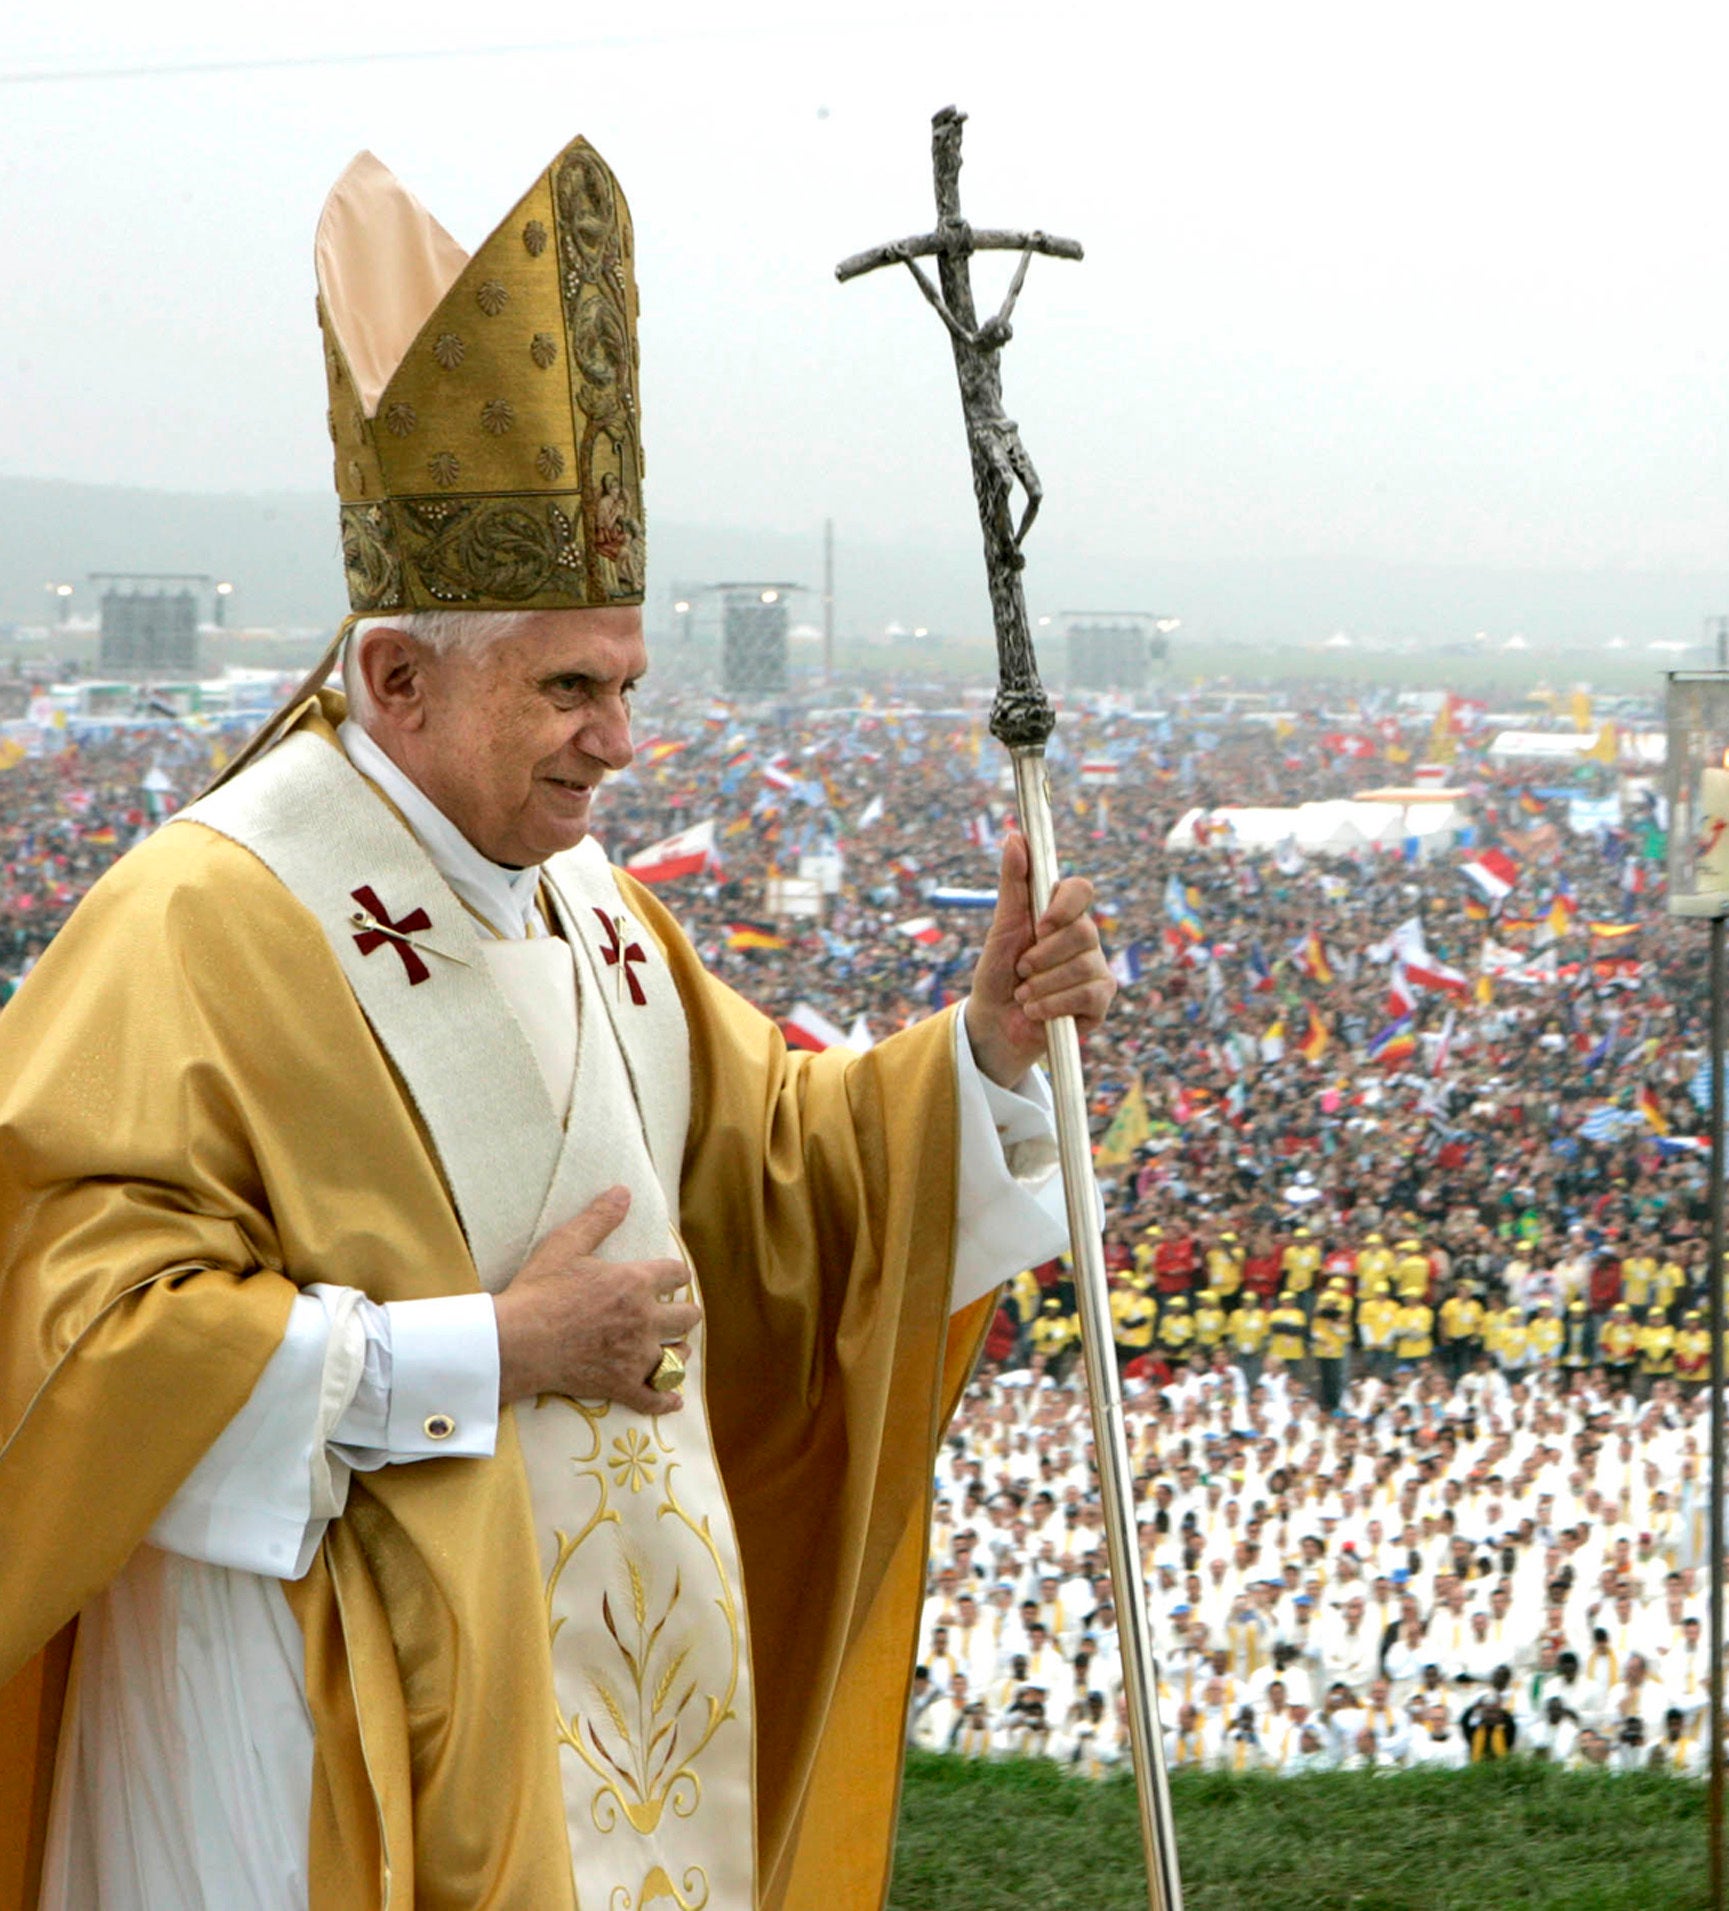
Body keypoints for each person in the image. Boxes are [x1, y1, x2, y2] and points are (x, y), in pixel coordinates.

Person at [0, 139, 1115, 1910]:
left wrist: (975, 1048)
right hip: (290, 1717)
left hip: (606, 1687)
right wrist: (482, 1355)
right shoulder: (200, 918)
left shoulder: (594, 901)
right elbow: (74, 1339)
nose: (617, 741)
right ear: (396, 678)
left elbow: (774, 1173)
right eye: (570, 689)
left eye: (628, 686)